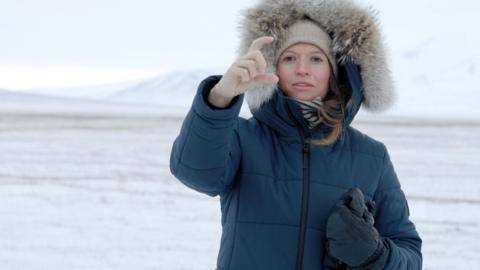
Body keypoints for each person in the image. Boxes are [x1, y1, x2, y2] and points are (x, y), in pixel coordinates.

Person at [169, 0, 422, 269]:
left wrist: (375, 255)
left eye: (316, 59)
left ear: (334, 72)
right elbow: (194, 172)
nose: (302, 69)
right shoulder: (242, 138)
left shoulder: (372, 156)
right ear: (272, 68)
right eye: (289, 58)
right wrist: (219, 97)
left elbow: (409, 254)